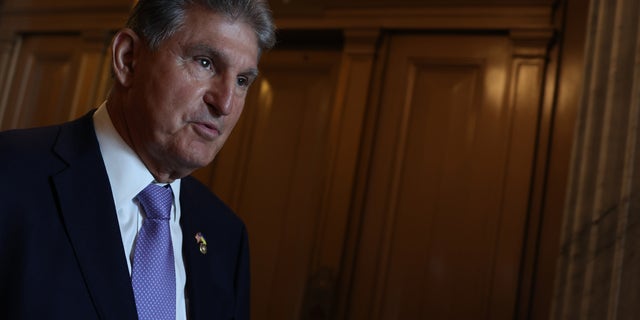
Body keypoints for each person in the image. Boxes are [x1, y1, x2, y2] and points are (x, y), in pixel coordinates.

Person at [0, 0, 275, 319]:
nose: (225, 103)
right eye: (204, 63)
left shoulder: (226, 236)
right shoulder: (11, 174)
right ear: (128, 59)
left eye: (242, 81)